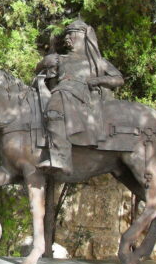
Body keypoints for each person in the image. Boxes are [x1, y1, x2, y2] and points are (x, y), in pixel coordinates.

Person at [35, 20, 124, 174]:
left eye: (71, 34)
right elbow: (38, 69)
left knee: (54, 109)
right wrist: (44, 62)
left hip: (81, 93)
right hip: (63, 89)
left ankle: (61, 158)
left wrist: (99, 80)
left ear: (82, 36)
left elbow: (118, 79)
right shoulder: (60, 58)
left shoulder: (97, 62)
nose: (67, 38)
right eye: (66, 35)